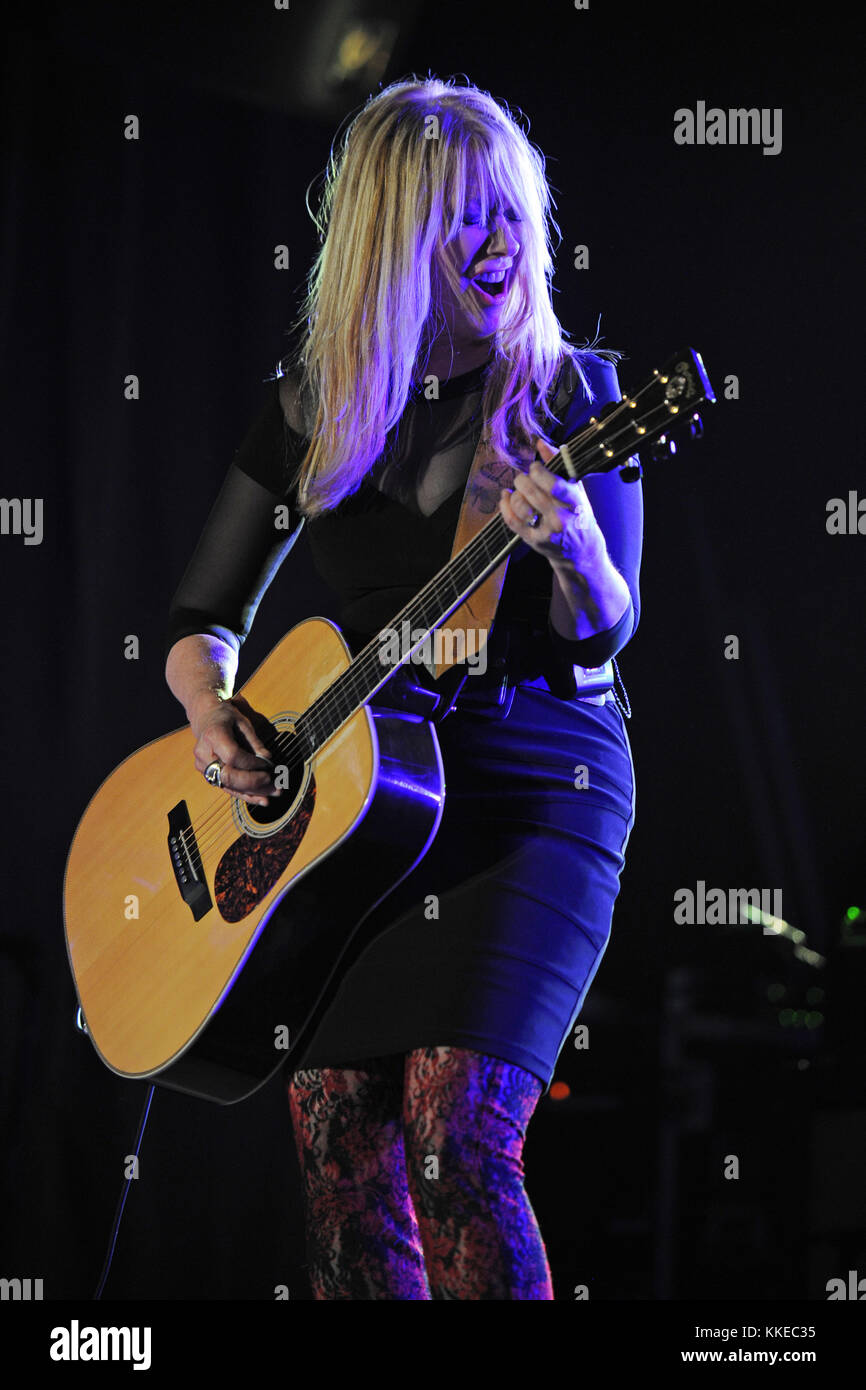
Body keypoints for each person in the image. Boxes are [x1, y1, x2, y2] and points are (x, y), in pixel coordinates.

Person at [164, 76, 643, 1300]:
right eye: (459, 216)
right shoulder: (320, 409)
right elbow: (199, 621)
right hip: (367, 814)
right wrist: (214, 711)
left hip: (535, 790)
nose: (499, 243)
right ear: (388, 233)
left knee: (454, 1140)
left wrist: (576, 551)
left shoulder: (570, 399)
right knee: (337, 1140)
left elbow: (600, 638)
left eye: (511, 213)